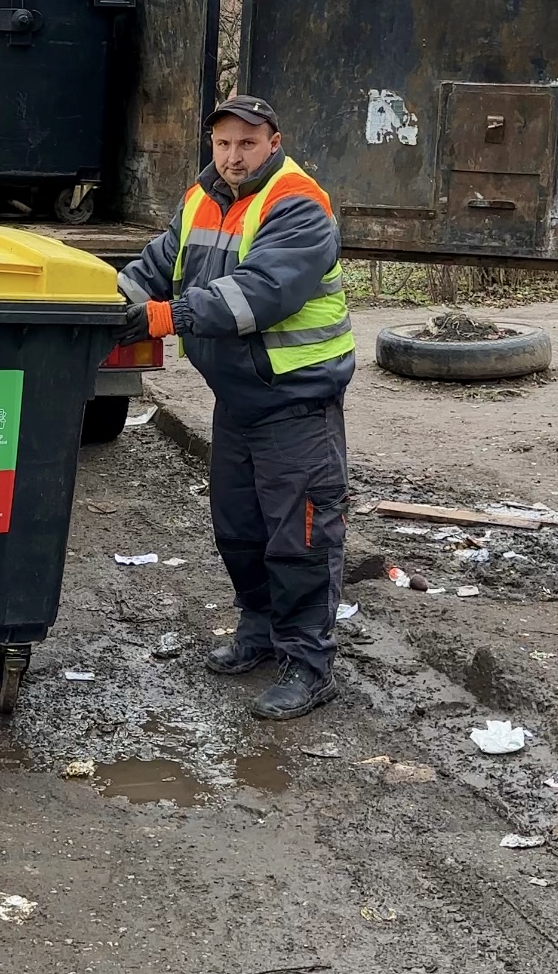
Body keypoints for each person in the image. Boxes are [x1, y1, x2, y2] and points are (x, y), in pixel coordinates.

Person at [116, 95, 355, 721]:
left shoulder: (298, 203)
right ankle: (259, 630)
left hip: (296, 400)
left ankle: (308, 664)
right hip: (239, 398)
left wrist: (164, 316)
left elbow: (261, 292)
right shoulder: (202, 198)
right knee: (239, 529)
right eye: (223, 144)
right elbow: (157, 264)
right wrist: (104, 300)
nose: (233, 156)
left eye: (247, 144)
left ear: (273, 143)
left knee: (301, 537)